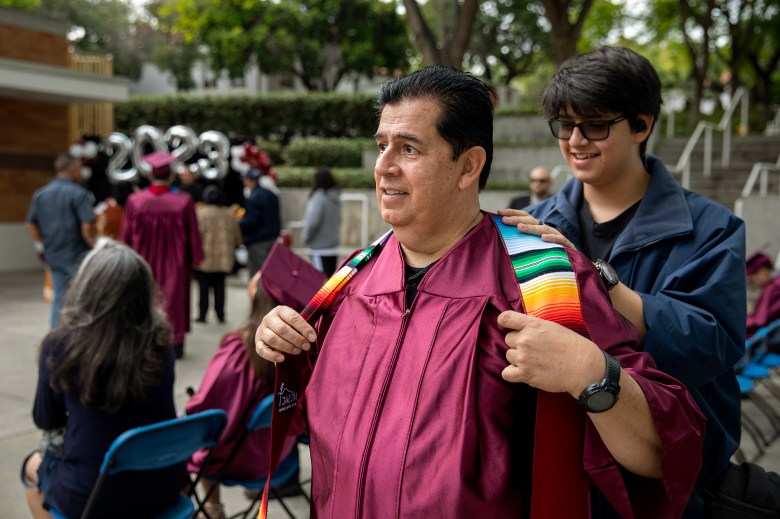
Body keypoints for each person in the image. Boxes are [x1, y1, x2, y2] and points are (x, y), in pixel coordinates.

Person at [255, 65, 705, 518]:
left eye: (408, 148)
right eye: (381, 145)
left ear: (469, 165)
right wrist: (281, 344)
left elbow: (662, 452)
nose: (384, 166)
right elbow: (313, 418)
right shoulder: (353, 279)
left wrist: (591, 370)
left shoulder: (542, 280)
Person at [498, 46, 746, 518]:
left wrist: (597, 278)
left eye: (594, 124)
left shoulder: (713, 228)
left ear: (642, 125)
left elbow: (711, 344)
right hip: (559, 474)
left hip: (669, 486)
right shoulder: (531, 226)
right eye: (564, 125)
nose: (575, 140)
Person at [21, 238, 179, 519]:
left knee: (30, 467)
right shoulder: (161, 342)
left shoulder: (60, 345)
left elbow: (45, 419)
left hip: (89, 497)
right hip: (162, 487)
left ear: (86, 290)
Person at [186, 250, 324, 519]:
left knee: (191, 436)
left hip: (238, 461)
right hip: (277, 459)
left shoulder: (238, 351)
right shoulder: (310, 360)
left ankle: (213, 509)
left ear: (259, 296)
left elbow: (205, 414)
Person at [120, 151, 203, 359]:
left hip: (143, 261)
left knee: (145, 299)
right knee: (173, 302)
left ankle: (145, 342)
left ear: (150, 176)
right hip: (175, 263)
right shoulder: (184, 202)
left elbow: (126, 236)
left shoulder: (135, 201)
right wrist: (195, 259)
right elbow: (193, 236)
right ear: (171, 176)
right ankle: (174, 346)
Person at [25, 153, 97, 328]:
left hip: (53, 253)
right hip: (77, 254)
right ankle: (85, 336)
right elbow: (87, 226)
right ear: (72, 170)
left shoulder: (41, 194)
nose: (81, 173)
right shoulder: (79, 193)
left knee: (59, 296)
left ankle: (56, 336)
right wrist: (96, 247)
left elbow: (29, 224)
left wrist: (42, 243)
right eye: (79, 169)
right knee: (86, 297)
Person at [194, 185, 243, 324]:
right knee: (220, 287)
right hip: (223, 258)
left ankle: (202, 315)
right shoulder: (228, 214)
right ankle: (220, 314)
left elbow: (196, 236)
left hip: (204, 258)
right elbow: (237, 236)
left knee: (203, 288)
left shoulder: (200, 213)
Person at [239, 168, 281, 277]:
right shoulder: (271, 195)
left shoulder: (254, 197)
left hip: (258, 242)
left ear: (249, 181)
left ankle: (260, 294)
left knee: (258, 276)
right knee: (271, 274)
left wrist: (238, 222)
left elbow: (252, 221)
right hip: (272, 239)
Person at [302, 167, 341, 276]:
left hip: (319, 248)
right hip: (333, 247)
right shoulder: (335, 198)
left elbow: (313, 222)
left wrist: (306, 238)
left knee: (320, 285)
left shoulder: (318, 198)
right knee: (329, 284)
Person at [746, 252, 780, 337]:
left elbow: (760, 321)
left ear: (762, 272)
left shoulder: (774, 287)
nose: (754, 283)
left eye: (752, 280)